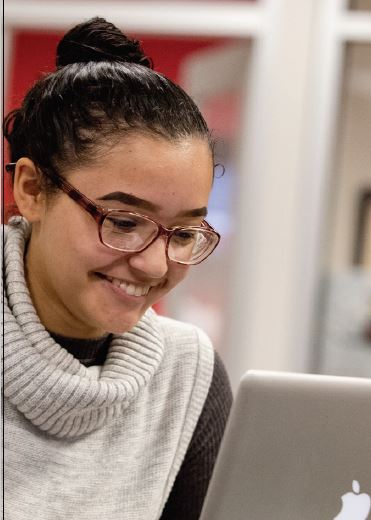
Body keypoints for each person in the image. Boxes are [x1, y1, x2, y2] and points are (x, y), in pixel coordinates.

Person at [2, 17, 233, 520]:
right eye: (124, 221)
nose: (153, 264)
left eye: (184, 233)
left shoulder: (187, 373)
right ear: (32, 190)